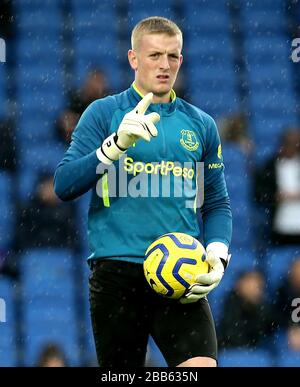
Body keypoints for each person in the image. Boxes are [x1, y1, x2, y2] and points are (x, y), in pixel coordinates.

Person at [54, 17, 232, 367]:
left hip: (181, 276)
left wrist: (217, 253)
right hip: (117, 276)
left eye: (173, 56)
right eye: (154, 55)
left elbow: (216, 202)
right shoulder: (103, 113)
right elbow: (64, 185)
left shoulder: (201, 124)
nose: (164, 65)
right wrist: (113, 147)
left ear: (181, 59)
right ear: (133, 58)